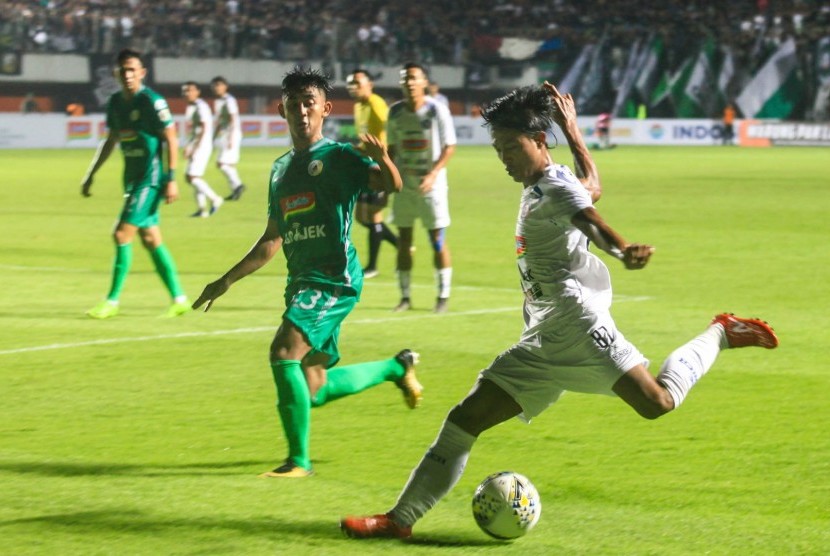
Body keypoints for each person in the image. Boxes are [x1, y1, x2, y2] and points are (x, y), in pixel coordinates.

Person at [340, 82, 779, 539]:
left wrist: (622, 249)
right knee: (464, 419)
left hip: (581, 327)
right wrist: (573, 129)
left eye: (512, 147)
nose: (504, 157)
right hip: (542, 337)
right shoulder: (547, 182)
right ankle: (400, 520)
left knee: (658, 403)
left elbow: (593, 220)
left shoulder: (553, 185)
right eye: (498, 148)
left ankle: (721, 333)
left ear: (538, 142)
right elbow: (593, 187)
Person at [192, 67, 424, 478]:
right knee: (313, 386)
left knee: (283, 352)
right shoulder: (281, 170)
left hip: (333, 279)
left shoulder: (337, 157)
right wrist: (225, 281)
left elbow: (391, 186)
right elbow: (272, 237)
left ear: (324, 110)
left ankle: (297, 463)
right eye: (294, 103)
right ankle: (396, 367)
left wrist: (383, 158)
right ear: (282, 110)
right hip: (300, 281)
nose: (301, 110)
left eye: (309, 103)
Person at [81, 48, 190, 319]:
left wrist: (172, 178)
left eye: (133, 70)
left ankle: (112, 302)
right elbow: (112, 139)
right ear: (116, 74)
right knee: (151, 238)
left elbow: (172, 138)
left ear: (142, 73)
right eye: (123, 70)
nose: (128, 75)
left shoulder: (152, 101)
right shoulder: (115, 102)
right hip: (132, 180)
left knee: (121, 234)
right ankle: (180, 298)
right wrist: (91, 173)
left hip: (150, 180)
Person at [387, 62, 457, 313]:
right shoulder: (394, 113)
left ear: (424, 82)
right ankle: (405, 297)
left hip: (432, 186)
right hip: (405, 186)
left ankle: (443, 296)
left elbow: (449, 146)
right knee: (404, 240)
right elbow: (391, 149)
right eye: (405, 78)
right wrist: (390, 177)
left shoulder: (437, 110)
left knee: (437, 240)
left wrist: (433, 174)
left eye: (414, 78)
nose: (409, 82)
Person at [346, 68, 397, 279]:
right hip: (365, 165)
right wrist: (356, 148)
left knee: (374, 215)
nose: (353, 87)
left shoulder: (376, 103)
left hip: (379, 166)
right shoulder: (358, 106)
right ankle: (401, 244)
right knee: (361, 217)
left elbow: (391, 130)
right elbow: (368, 136)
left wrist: (389, 164)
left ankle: (372, 266)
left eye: (358, 83)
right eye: (351, 84)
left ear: (370, 84)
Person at [182, 81, 223, 217]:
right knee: (194, 177)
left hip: (201, 146)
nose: (187, 93)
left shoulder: (201, 107)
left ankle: (215, 199)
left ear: (197, 92)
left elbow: (203, 128)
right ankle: (202, 209)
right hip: (199, 145)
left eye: (190, 90)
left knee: (191, 177)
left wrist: (194, 148)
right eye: (185, 91)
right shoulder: (193, 107)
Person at [210, 76, 247, 201]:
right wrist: (213, 137)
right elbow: (220, 121)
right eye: (214, 85)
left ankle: (238, 185)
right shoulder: (218, 101)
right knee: (229, 165)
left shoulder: (229, 100)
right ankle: (235, 190)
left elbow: (233, 118)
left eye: (219, 85)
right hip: (225, 135)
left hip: (232, 134)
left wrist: (231, 137)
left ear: (225, 86)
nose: (216, 88)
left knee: (221, 164)